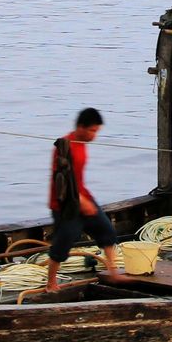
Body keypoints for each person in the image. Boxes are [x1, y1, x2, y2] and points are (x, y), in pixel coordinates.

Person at [46, 107, 123, 291]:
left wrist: (86, 200)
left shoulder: (82, 144)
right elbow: (62, 180)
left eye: (96, 131)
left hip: (83, 196)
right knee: (62, 243)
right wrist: (81, 202)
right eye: (91, 131)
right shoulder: (65, 146)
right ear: (81, 126)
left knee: (107, 231)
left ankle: (114, 273)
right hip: (65, 203)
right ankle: (51, 283)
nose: (94, 136)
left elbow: (78, 179)